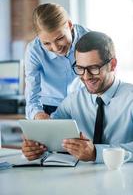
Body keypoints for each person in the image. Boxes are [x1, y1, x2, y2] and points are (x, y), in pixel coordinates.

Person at [22, 31, 133, 163]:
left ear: (113, 65)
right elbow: (48, 134)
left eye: (93, 68)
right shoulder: (73, 100)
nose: (86, 76)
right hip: (79, 179)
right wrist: (36, 147)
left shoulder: (130, 98)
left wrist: (96, 153)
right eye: (80, 68)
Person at [25, 3, 89, 120]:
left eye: (59, 38)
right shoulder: (34, 50)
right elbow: (31, 95)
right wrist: (36, 114)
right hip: (49, 106)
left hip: (82, 104)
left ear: (69, 25)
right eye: (46, 43)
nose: (56, 48)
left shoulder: (89, 39)